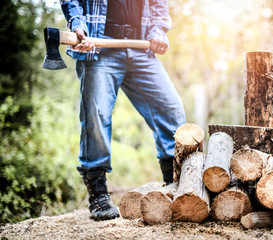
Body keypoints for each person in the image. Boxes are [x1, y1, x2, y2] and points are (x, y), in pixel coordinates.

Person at [60, 0, 186, 221]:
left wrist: (158, 31)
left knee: (171, 109)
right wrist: (78, 24)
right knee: (96, 116)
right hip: (100, 44)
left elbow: (159, 3)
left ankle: (173, 184)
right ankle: (98, 196)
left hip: (140, 46)